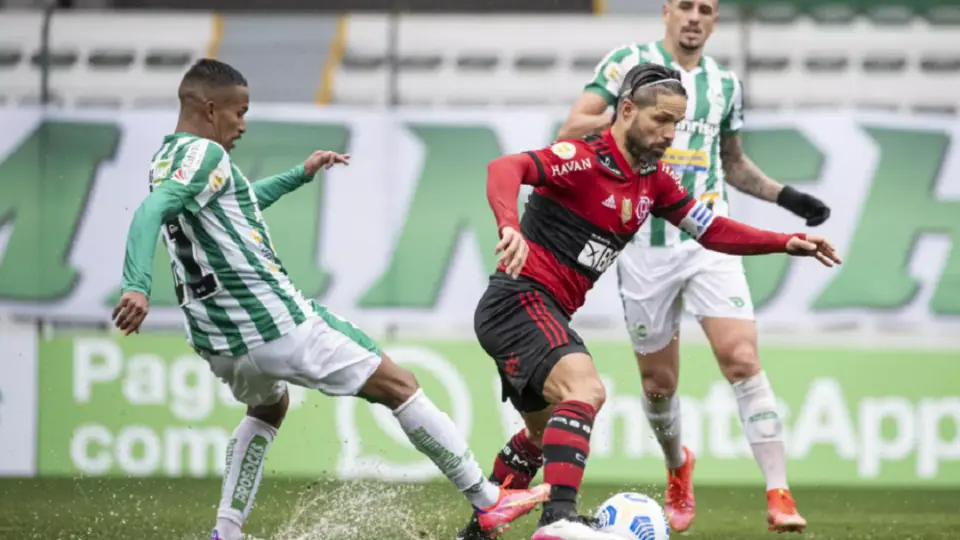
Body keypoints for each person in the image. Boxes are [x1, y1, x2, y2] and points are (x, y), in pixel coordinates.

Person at [110, 58, 550, 540]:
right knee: (400, 385)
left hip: (218, 339)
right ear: (211, 109)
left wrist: (299, 174)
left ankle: (227, 532)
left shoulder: (167, 159)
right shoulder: (208, 154)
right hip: (273, 321)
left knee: (268, 408)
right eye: (240, 112)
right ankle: (488, 501)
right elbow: (150, 211)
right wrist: (136, 284)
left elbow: (236, 204)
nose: (243, 125)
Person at [455, 62, 840, 540]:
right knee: (586, 391)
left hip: (541, 311)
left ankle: (476, 533)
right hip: (519, 301)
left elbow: (712, 230)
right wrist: (509, 225)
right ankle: (558, 519)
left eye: (676, 123)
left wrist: (784, 241)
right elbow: (504, 167)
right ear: (626, 111)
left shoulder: (653, 181)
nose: (670, 133)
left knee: (540, 435)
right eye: (661, 119)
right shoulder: (582, 158)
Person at [556, 0, 832, 533]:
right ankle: (676, 465)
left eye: (705, 8)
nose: (694, 17)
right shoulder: (626, 62)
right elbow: (572, 128)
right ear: (666, 11)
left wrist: (787, 197)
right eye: (685, 5)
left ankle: (779, 493)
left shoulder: (724, 85)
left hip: (708, 238)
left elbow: (732, 164)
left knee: (741, 357)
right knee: (659, 384)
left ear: (715, 19)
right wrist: (634, 115)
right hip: (643, 243)